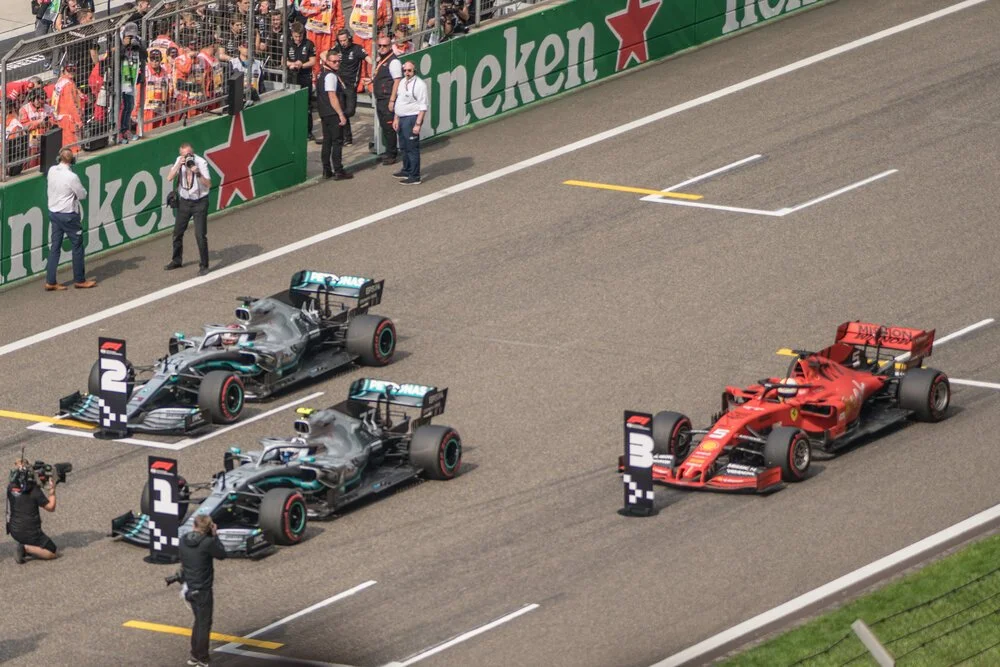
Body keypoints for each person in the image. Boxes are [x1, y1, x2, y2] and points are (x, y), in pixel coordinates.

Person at [45, 148, 97, 290]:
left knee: (55, 247)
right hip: (68, 215)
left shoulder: (51, 170)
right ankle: (80, 279)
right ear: (72, 160)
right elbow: (82, 195)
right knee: (77, 246)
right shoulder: (71, 177)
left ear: (59, 158)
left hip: (54, 213)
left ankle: (50, 281)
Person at [178, 514, 226, 667]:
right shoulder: (207, 543)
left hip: (189, 587)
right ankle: (202, 658)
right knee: (204, 623)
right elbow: (222, 554)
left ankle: (194, 655)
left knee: (198, 621)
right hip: (203, 589)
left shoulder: (183, 540)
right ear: (208, 528)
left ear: (194, 526)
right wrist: (215, 536)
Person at [165, 143, 212, 275]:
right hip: (185, 202)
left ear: (193, 153)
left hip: (199, 202)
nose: (188, 158)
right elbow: (169, 178)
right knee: (177, 233)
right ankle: (176, 260)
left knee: (200, 235)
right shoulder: (179, 161)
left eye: (189, 155)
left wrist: (197, 173)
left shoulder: (201, 163)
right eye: (185, 155)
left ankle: (204, 265)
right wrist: (179, 165)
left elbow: (208, 184)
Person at [6, 460, 58, 564]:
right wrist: (52, 492)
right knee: (52, 551)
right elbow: (51, 507)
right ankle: (25, 548)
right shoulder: (34, 491)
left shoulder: (10, 487)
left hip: (14, 531)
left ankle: (26, 544)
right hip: (30, 532)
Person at [363, 35, 401, 166]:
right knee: (385, 126)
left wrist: (392, 100)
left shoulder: (393, 61)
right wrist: (372, 80)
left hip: (387, 99)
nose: (382, 48)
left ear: (390, 47)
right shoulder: (382, 59)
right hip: (380, 98)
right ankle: (390, 151)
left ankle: (392, 154)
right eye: (380, 46)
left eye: (384, 46)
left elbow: (397, 80)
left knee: (390, 127)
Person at [315, 51, 352, 181]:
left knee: (327, 141)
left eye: (338, 61)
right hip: (332, 113)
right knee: (336, 142)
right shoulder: (330, 76)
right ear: (327, 62)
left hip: (324, 112)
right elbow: (332, 96)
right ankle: (338, 170)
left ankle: (327, 170)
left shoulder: (321, 74)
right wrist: (341, 114)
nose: (337, 64)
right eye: (334, 62)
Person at [392, 59, 426, 185]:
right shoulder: (402, 82)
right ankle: (406, 169)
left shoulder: (420, 85)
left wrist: (418, 124)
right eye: (405, 70)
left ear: (414, 70)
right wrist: (396, 117)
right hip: (401, 118)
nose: (407, 73)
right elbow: (399, 101)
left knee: (412, 148)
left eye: (409, 70)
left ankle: (415, 176)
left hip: (412, 118)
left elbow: (423, 107)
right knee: (404, 146)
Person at [330, 29, 365, 146]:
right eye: (340, 41)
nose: (343, 43)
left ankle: (341, 126)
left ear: (349, 38)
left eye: (344, 40)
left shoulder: (357, 49)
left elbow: (368, 58)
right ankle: (346, 138)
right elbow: (325, 55)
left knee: (349, 111)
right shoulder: (337, 49)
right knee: (341, 110)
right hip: (339, 85)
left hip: (350, 86)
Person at [285, 22, 317, 140]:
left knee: (306, 105)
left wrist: (301, 65)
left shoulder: (309, 44)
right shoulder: (288, 43)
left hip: (304, 77)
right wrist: (291, 64)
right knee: (291, 105)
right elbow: (284, 60)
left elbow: (313, 61)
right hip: (291, 77)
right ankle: (291, 130)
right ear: (292, 34)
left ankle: (308, 132)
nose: (298, 38)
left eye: (300, 36)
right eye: (296, 36)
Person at [300, 0, 344, 76]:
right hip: (312, 32)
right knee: (313, 58)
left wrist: (338, 31)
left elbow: (339, 14)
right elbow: (303, 9)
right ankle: (314, 80)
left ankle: (327, 78)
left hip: (328, 34)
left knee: (328, 58)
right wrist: (318, 8)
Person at [51, 63, 84, 152]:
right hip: (68, 120)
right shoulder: (68, 84)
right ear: (64, 70)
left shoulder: (60, 81)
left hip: (59, 118)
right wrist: (78, 120)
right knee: (73, 148)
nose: (72, 72)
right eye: (69, 70)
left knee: (65, 146)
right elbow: (71, 105)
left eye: (73, 70)